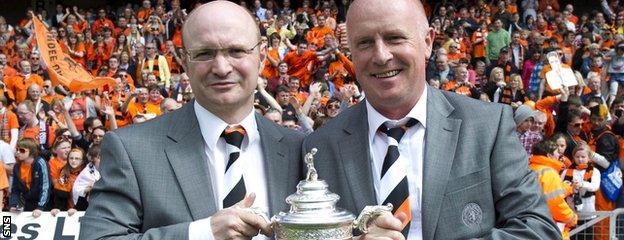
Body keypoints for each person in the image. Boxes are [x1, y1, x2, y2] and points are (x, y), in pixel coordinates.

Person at [302, 0, 560, 239]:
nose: (381, 56)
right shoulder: (320, 147)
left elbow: (537, 229)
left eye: (394, 38)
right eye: (365, 43)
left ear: (427, 42)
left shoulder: (488, 127)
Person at [80, 1, 304, 239]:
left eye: (236, 51)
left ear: (261, 57)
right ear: (185, 63)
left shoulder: (299, 147)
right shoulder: (131, 149)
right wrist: (203, 234)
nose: (221, 67)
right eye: (204, 54)